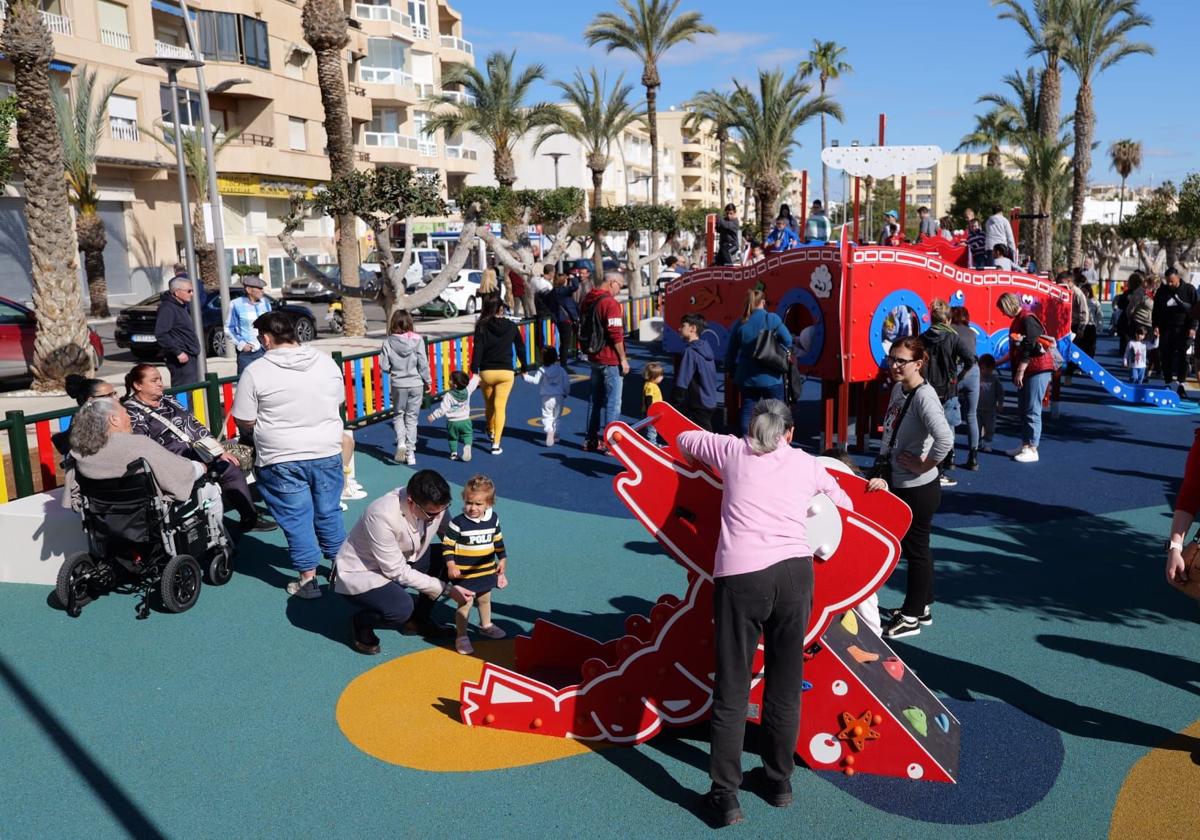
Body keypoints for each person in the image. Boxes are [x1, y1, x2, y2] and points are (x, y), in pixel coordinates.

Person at [676, 399, 852, 827]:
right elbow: (843, 503)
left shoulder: (732, 451)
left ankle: (725, 795)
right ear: (789, 433)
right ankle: (778, 780)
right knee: (785, 681)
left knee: (734, 685)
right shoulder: (807, 465)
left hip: (743, 576)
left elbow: (685, 438)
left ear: (752, 428)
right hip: (795, 574)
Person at [232, 311, 346, 599]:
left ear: (267, 338)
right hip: (326, 449)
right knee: (328, 511)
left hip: (281, 455)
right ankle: (342, 568)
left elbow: (244, 419)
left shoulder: (256, 371)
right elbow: (339, 400)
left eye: (260, 338)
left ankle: (308, 580)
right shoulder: (324, 362)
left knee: (296, 518)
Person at [333, 469, 475, 655]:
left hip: (403, 559)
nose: (438, 516)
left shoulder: (434, 505)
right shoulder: (381, 515)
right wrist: (447, 589)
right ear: (410, 501)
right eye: (432, 514)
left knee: (445, 557)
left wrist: (478, 562)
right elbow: (396, 571)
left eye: (444, 508)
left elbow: (449, 537)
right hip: (364, 571)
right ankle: (361, 621)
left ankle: (418, 620)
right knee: (401, 609)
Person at [866, 337, 953, 639]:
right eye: (892, 359)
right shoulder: (898, 389)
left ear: (919, 363)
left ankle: (912, 616)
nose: (894, 365)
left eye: (901, 361)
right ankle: (923, 605)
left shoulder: (924, 397)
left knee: (914, 550)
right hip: (902, 479)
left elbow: (945, 439)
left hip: (917, 487)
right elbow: (891, 430)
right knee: (918, 547)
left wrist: (924, 465)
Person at [123, 363, 274, 532]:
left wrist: (219, 451)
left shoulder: (167, 399)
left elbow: (195, 426)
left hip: (197, 452)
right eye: (154, 380)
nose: (160, 383)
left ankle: (249, 518)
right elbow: (144, 446)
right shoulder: (131, 412)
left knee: (229, 466)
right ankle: (206, 531)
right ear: (138, 385)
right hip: (171, 463)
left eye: (160, 378)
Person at [63, 397, 208, 510]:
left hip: (105, 519)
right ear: (114, 419)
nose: (130, 418)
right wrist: (201, 467)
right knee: (211, 490)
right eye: (125, 413)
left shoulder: (78, 453)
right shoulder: (139, 445)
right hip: (150, 518)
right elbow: (180, 474)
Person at [442, 474, 509, 655]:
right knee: (465, 603)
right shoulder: (458, 523)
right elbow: (447, 545)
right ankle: (462, 636)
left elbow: (498, 541)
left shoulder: (493, 519)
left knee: (485, 599)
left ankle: (486, 625)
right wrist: (451, 565)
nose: (472, 508)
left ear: (489, 503)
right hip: (464, 574)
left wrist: (502, 559)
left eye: (478, 504)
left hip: (486, 570)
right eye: (469, 502)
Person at [918, 299, 975, 484]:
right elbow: (970, 359)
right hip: (947, 389)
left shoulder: (922, 338)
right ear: (948, 319)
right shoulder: (952, 338)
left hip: (926, 388)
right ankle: (939, 471)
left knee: (925, 432)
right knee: (945, 432)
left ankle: (925, 468)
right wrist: (959, 376)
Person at [724, 289, 794, 436]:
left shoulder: (740, 323)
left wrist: (730, 369)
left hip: (747, 376)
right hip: (771, 375)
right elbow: (788, 340)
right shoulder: (771, 319)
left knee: (748, 410)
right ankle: (775, 441)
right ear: (763, 302)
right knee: (776, 411)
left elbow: (731, 351)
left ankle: (746, 440)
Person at [995, 292, 1054, 464]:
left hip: (1037, 368)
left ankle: (1033, 448)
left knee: (1032, 408)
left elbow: (1030, 345)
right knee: (1023, 407)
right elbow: (1016, 349)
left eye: (1003, 310)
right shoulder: (1019, 319)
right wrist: (998, 362)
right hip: (1029, 369)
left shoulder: (1027, 318)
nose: (1003, 314)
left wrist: (1020, 370)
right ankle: (1026, 444)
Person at [470, 297, 528, 455]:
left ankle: (490, 429)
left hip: (487, 372)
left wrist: (474, 369)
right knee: (500, 407)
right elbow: (521, 347)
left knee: (489, 405)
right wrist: (524, 366)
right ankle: (496, 444)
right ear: (502, 309)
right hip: (506, 372)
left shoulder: (482, 326)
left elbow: (478, 349)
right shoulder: (511, 326)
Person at [581, 271, 630, 452]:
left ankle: (591, 439)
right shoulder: (610, 303)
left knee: (595, 400)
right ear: (612, 283)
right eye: (620, 285)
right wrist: (623, 359)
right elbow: (615, 334)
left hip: (594, 355)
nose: (620, 290)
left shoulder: (588, 299)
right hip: (610, 358)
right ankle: (612, 444)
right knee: (613, 402)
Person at [380, 309, 430, 466]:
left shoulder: (388, 342)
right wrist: (427, 380)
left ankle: (401, 442)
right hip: (416, 383)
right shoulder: (418, 340)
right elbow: (423, 362)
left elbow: (384, 365)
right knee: (412, 418)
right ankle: (411, 453)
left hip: (399, 384)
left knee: (398, 415)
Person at [1152, 267, 1197, 399]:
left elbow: (1195, 310)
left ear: (1178, 277)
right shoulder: (1162, 291)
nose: (1170, 284)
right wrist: (1155, 326)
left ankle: (1181, 385)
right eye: (1168, 281)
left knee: (1183, 357)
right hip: (1166, 328)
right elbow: (1156, 311)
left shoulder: (1189, 290)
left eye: (1172, 281)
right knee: (1166, 356)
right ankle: (1167, 383)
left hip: (1183, 329)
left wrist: (1193, 327)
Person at [673, 313, 718, 431]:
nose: (679, 329)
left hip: (698, 403)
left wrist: (675, 403)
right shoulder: (706, 348)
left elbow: (682, 381)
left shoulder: (690, 352)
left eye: (683, 326)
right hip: (710, 400)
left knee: (704, 438)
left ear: (693, 328)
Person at [154, 275, 201, 387]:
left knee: (192, 389)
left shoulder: (181, 306)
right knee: (184, 390)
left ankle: (187, 405)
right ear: (177, 292)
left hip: (189, 355)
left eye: (192, 291)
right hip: (180, 358)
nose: (192, 294)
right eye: (189, 291)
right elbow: (161, 334)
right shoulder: (168, 308)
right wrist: (178, 352)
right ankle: (181, 406)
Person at [54, 376, 117, 456]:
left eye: (115, 393)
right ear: (91, 400)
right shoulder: (84, 423)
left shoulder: (114, 415)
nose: (116, 399)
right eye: (109, 395)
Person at [950, 306, 981, 471]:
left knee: (950, 413)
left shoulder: (950, 330)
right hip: (973, 371)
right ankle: (973, 456)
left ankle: (950, 455)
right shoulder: (972, 333)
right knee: (971, 415)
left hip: (956, 371)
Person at [522, 346, 570, 446]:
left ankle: (549, 431)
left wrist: (525, 376)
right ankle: (555, 434)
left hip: (546, 396)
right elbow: (566, 383)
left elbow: (535, 381)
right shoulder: (561, 370)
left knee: (547, 415)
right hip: (559, 396)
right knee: (557, 416)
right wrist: (566, 393)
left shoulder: (541, 370)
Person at [427, 370, 480, 461]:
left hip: (452, 422)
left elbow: (443, 409)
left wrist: (433, 416)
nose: (449, 381)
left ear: (455, 385)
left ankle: (453, 454)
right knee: (467, 435)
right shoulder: (467, 390)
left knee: (452, 438)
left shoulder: (448, 395)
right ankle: (467, 446)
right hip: (465, 420)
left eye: (450, 379)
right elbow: (473, 384)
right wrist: (476, 377)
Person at [226, 275, 271, 375]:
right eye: (259, 288)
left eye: (262, 288)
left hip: (265, 351)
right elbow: (229, 328)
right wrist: (242, 344)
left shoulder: (266, 303)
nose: (262, 291)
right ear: (249, 289)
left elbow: (271, 325)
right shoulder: (235, 304)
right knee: (246, 384)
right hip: (247, 354)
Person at [976, 354, 1004, 452]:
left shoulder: (994, 380)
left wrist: (1000, 404)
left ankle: (987, 443)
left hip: (990, 410)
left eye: (989, 369)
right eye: (983, 369)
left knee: (990, 428)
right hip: (977, 409)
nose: (986, 372)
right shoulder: (976, 378)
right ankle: (977, 442)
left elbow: (1000, 393)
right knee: (976, 427)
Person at [551, 272, 581, 362]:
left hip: (560, 318)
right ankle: (564, 363)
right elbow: (575, 287)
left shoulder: (554, 290)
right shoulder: (562, 290)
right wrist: (573, 277)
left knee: (564, 341)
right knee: (565, 342)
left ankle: (564, 360)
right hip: (565, 319)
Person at [642, 361, 665, 446]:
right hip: (651, 412)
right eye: (660, 375)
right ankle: (651, 444)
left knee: (653, 428)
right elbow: (649, 399)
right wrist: (650, 411)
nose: (662, 377)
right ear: (653, 377)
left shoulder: (653, 385)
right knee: (651, 428)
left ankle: (652, 442)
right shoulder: (650, 386)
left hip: (654, 412)